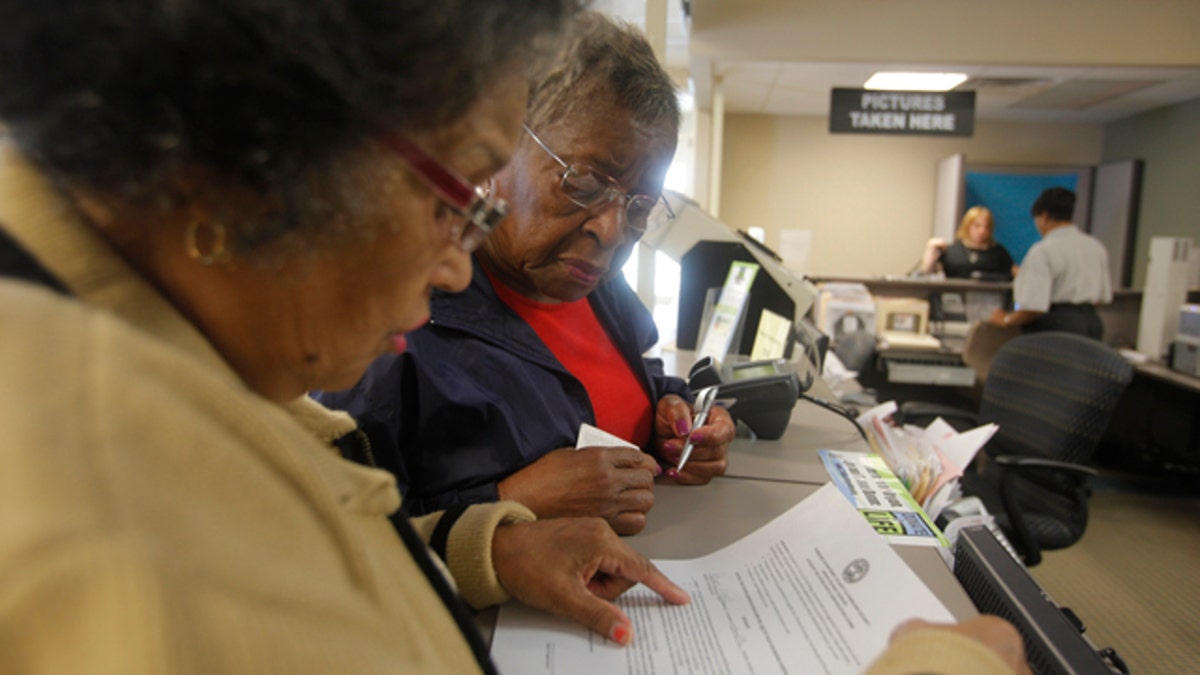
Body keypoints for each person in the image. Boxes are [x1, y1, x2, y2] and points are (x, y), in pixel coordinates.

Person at [0, 1, 703, 671]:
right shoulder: (80, 522)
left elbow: (292, 542)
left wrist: (487, 548)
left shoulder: (205, 358)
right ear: (265, 144)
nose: (458, 265)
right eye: (456, 193)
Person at [317, 12, 735, 536]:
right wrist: (509, 501)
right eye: (583, 181)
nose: (611, 230)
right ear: (496, 149)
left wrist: (676, 417)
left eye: (640, 205)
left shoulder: (599, 288)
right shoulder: (396, 322)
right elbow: (337, 537)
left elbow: (628, 380)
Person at [989, 187, 1112, 339]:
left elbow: (1032, 308)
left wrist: (1006, 320)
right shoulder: (1095, 246)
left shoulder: (1043, 251)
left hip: (1056, 328)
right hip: (1091, 324)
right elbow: (1102, 298)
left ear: (1044, 216)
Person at [919, 205, 1017, 281]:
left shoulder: (998, 252)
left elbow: (1015, 273)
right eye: (977, 226)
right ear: (967, 226)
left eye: (986, 227)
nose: (982, 231)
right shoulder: (952, 251)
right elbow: (925, 273)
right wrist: (930, 249)